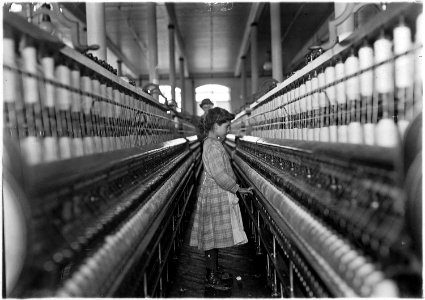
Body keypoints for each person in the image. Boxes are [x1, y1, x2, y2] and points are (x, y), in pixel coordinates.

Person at [189, 107, 253, 290]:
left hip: (215, 193)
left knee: (214, 237)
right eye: (226, 126)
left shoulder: (212, 143)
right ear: (215, 125)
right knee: (211, 239)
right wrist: (237, 189)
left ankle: (214, 270)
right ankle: (211, 276)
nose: (228, 129)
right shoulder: (212, 146)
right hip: (215, 194)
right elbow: (219, 175)